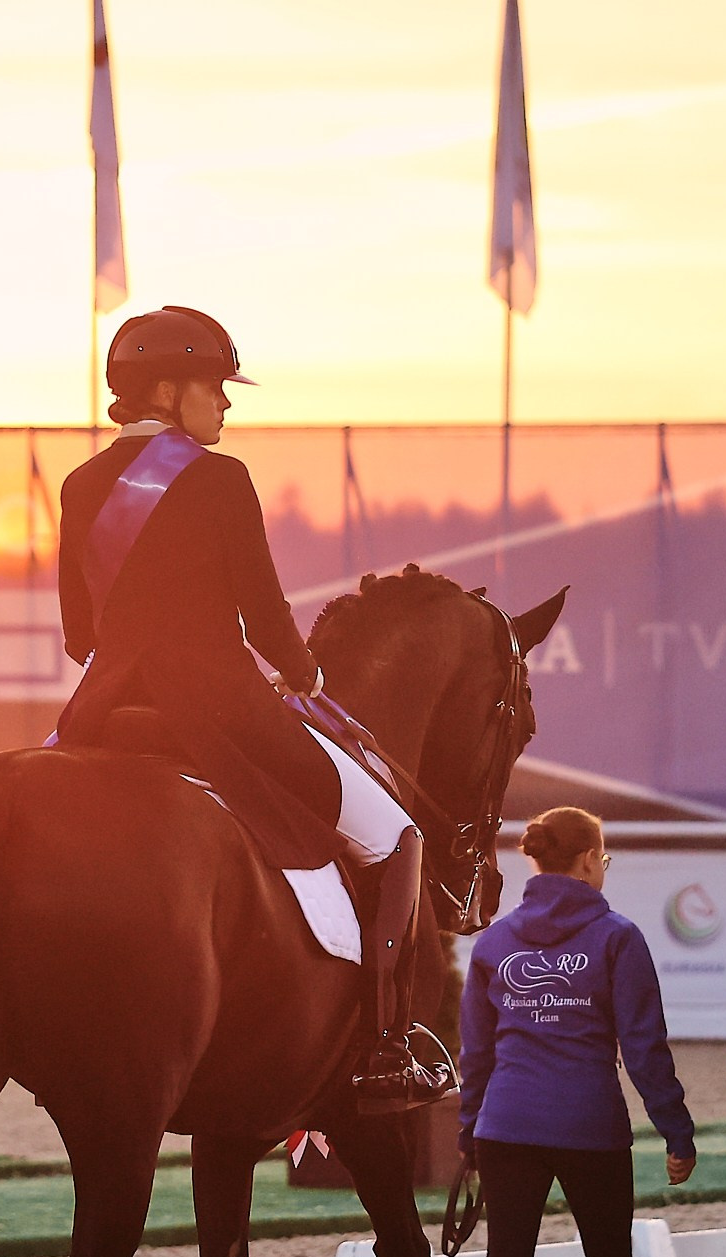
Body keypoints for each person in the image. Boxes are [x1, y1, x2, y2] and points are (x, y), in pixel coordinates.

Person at [54, 304, 448, 1113]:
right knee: (394, 834)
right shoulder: (220, 477)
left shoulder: (78, 485)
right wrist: (302, 675)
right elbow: (265, 616)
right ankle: (383, 1041)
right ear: (167, 390)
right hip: (220, 710)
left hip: (102, 713)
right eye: (216, 388)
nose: (227, 405)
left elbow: (77, 634)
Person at [458, 807, 695, 1257]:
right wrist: (676, 1131)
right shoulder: (617, 937)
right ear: (589, 859)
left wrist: (467, 1132)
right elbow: (644, 1046)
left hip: (505, 1124)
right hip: (589, 1124)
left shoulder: (495, 942)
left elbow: (475, 1054)